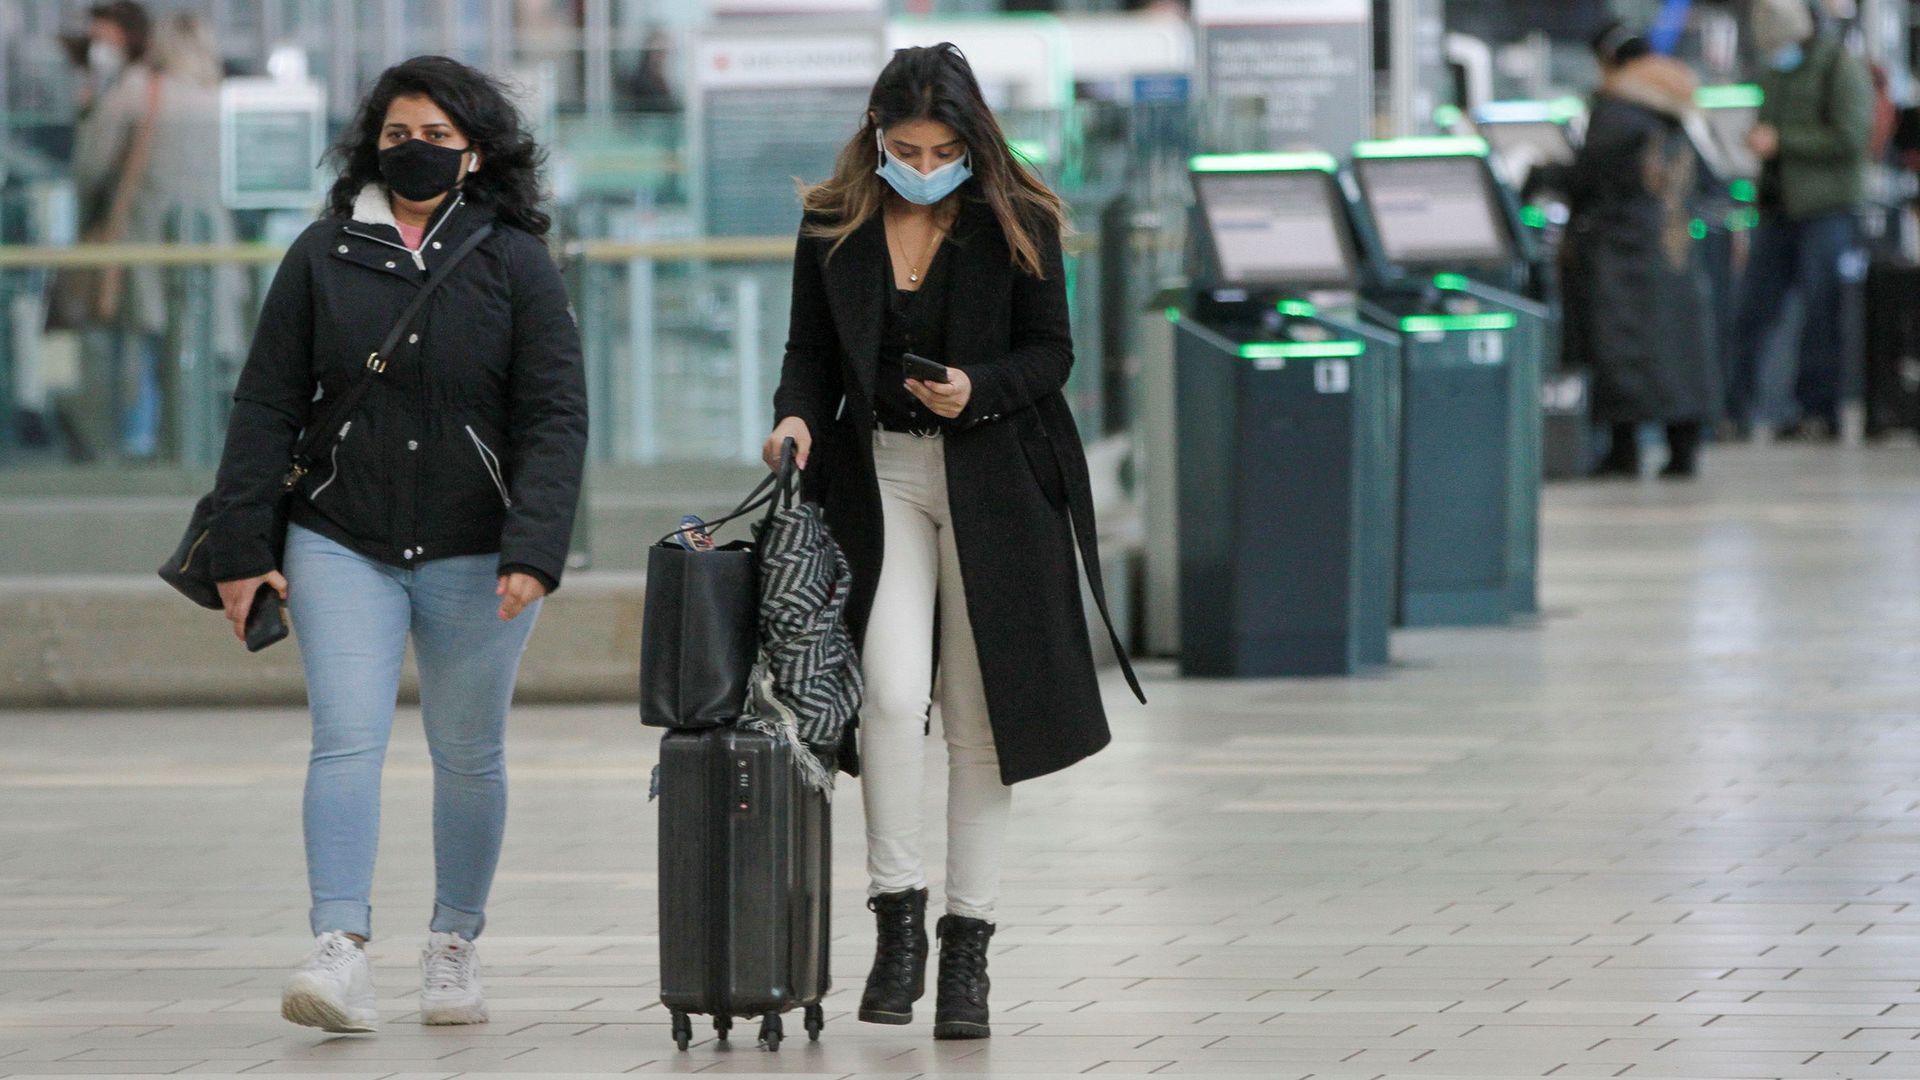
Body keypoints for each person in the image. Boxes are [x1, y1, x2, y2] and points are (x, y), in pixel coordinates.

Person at [765, 43, 1143, 1041]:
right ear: (876, 136)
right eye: (905, 146)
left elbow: (1053, 354)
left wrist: (979, 389)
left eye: (941, 148)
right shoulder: (836, 223)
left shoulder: (1019, 218)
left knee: (982, 724)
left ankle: (967, 947)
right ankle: (898, 921)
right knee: (887, 695)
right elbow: (809, 355)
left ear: (971, 140)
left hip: (993, 483)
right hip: (879, 474)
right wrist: (795, 421)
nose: (922, 163)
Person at [205, 55, 587, 1034]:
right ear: (370, 143)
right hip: (342, 539)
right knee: (346, 740)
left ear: (477, 154)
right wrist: (243, 546)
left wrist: (535, 547)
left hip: (477, 548)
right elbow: (265, 406)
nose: (413, 153)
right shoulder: (321, 255)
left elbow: (554, 415)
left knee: (469, 753)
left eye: (437, 138)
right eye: (395, 135)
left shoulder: (515, 262)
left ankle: (454, 944)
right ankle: (339, 951)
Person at [1563, 23, 1720, 479]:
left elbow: (1588, 178)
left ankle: (1622, 450)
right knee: (1681, 348)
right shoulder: (1678, 104)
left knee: (1622, 350)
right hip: (1674, 247)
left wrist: (1546, 176)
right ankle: (1683, 448)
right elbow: (1708, 180)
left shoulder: (1616, 110)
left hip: (1623, 250)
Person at [1724, 0, 1871, 439]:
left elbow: (1851, 137)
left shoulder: (1840, 69)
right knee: (1753, 312)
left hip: (1825, 210)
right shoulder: (1775, 73)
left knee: (1822, 315)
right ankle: (1738, 410)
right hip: (1776, 209)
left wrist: (1782, 141)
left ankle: (1817, 411)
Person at [58, 0, 158, 460]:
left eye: (108, 38)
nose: (100, 47)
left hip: (123, 235)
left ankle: (126, 439)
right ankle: (127, 436)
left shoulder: (127, 91)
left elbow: (89, 166)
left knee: (125, 339)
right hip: (124, 235)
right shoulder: (119, 88)